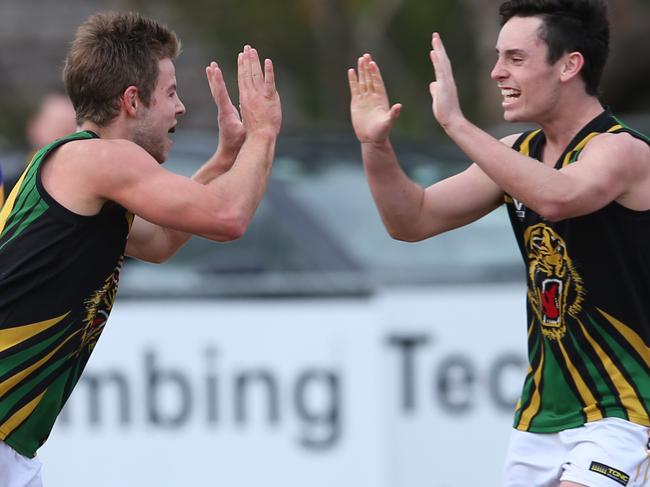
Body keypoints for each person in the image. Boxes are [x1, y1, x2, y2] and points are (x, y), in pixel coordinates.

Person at [348, 0, 650, 486]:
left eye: (515, 58)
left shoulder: (621, 150)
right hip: (542, 415)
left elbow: (558, 196)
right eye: (497, 56)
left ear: (570, 65)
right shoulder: (518, 153)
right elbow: (412, 220)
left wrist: (456, 123)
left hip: (628, 406)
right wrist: (375, 146)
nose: (495, 72)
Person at [0, 11, 281, 486]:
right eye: (171, 93)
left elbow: (160, 242)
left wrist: (224, 159)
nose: (180, 108)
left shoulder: (83, 167)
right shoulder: (100, 159)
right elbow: (227, 218)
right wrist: (265, 131)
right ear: (132, 100)